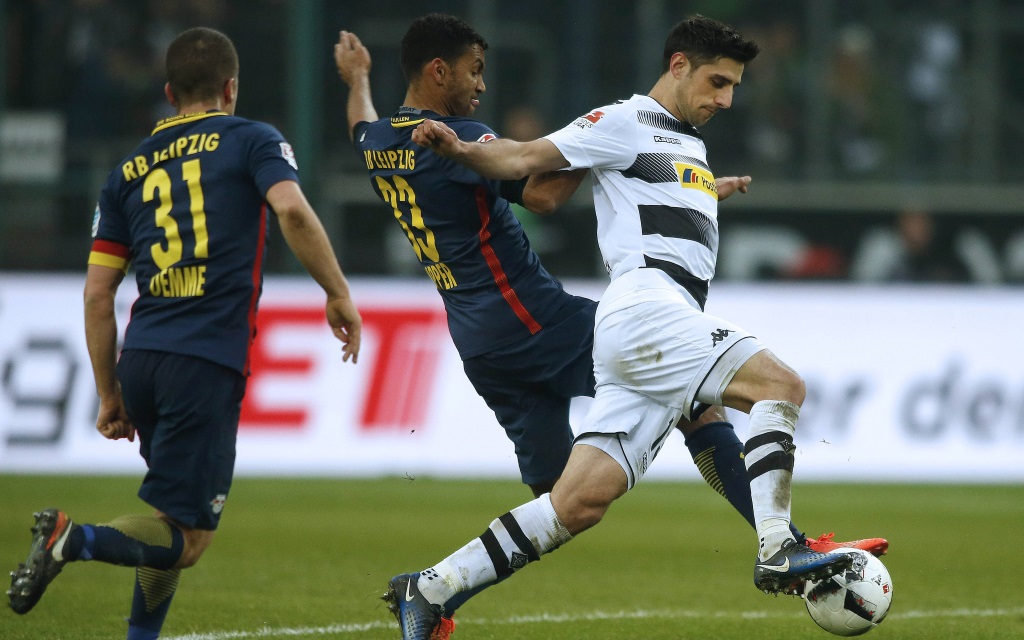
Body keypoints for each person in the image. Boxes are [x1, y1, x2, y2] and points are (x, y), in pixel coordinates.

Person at [337, 14, 884, 640]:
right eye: (717, 82)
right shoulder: (612, 121)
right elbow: (531, 175)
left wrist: (357, 80)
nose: (726, 100)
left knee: (572, 501)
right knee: (776, 387)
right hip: (590, 313)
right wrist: (464, 149)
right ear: (677, 65)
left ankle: (431, 588)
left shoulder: (381, 137)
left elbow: (360, 127)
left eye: (733, 87)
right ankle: (780, 546)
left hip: (483, 333)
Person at [6, 27, 361, 640]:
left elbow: (96, 294)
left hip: (142, 358)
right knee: (188, 540)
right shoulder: (253, 139)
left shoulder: (125, 172)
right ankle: (74, 540)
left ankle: (141, 636)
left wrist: (110, 392)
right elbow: (294, 210)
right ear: (231, 89)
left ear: (169, 92)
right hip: (205, 361)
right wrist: (337, 292)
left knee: (168, 519)